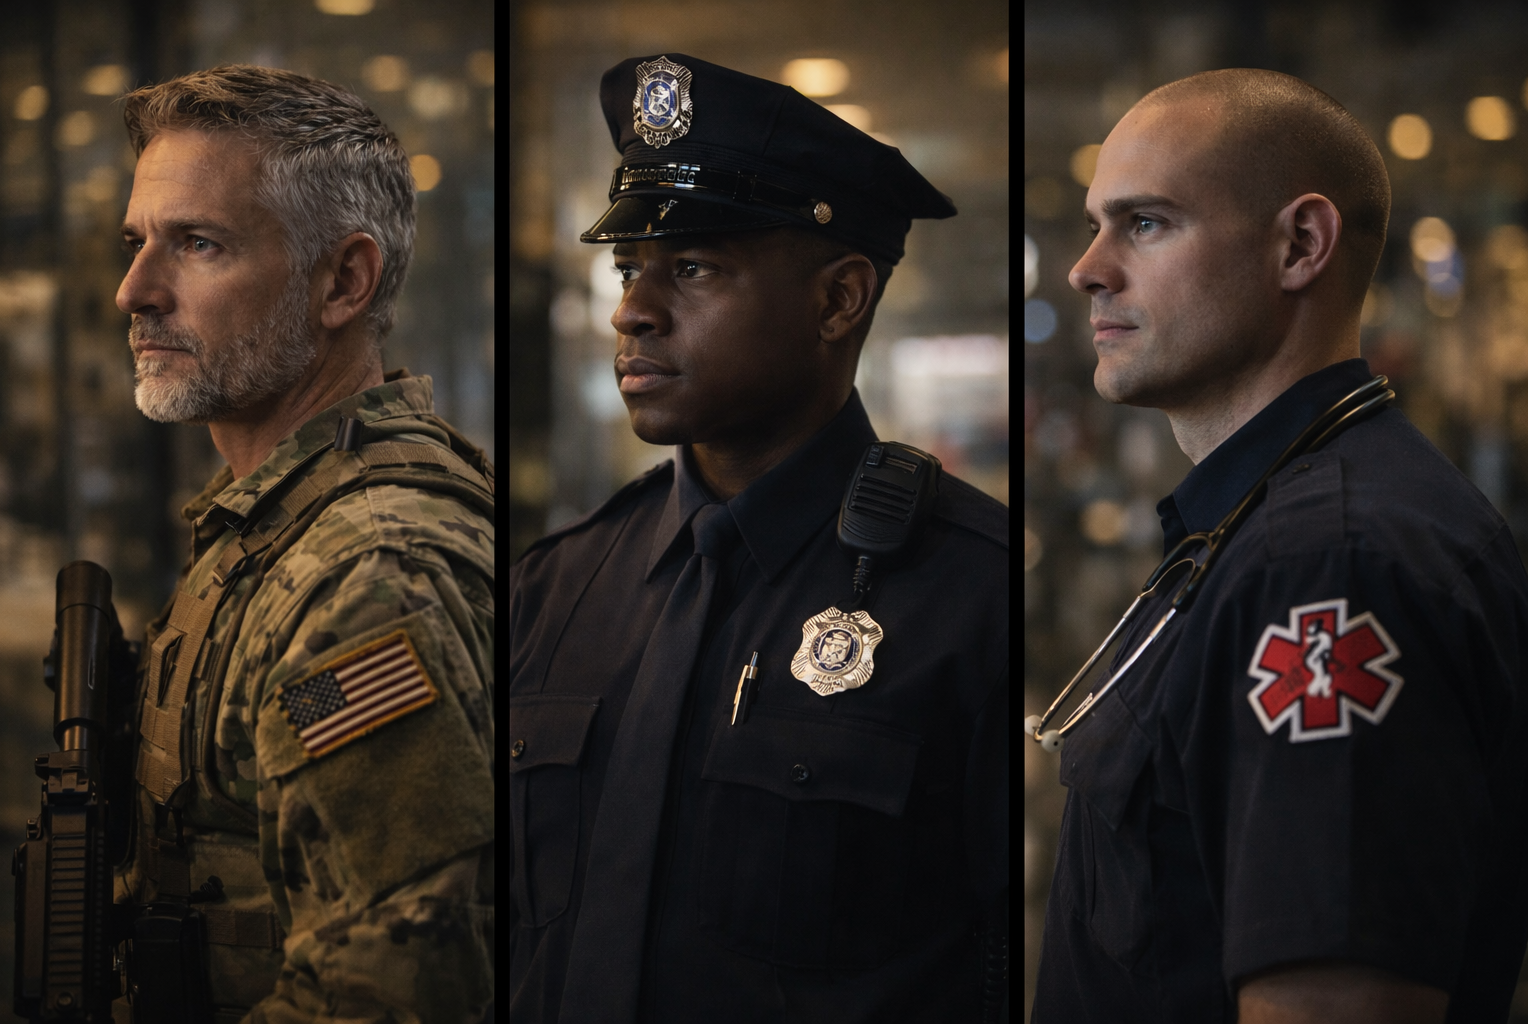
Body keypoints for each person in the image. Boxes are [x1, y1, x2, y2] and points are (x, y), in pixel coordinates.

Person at [508, 54, 1009, 1024]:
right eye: (629, 268)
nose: (632, 310)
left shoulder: (968, 595)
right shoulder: (556, 587)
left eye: (693, 268)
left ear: (838, 301)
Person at [1032, 68, 1528, 1023]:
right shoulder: (1260, 525)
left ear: (1300, 245)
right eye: (1096, 225)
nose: (1086, 269)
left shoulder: (1331, 565)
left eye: (1145, 223)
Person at [110, 65, 495, 1022]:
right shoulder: (274, 517)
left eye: (198, 244)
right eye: (136, 243)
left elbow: (392, 993)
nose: (134, 292)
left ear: (343, 281)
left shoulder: (368, 579)